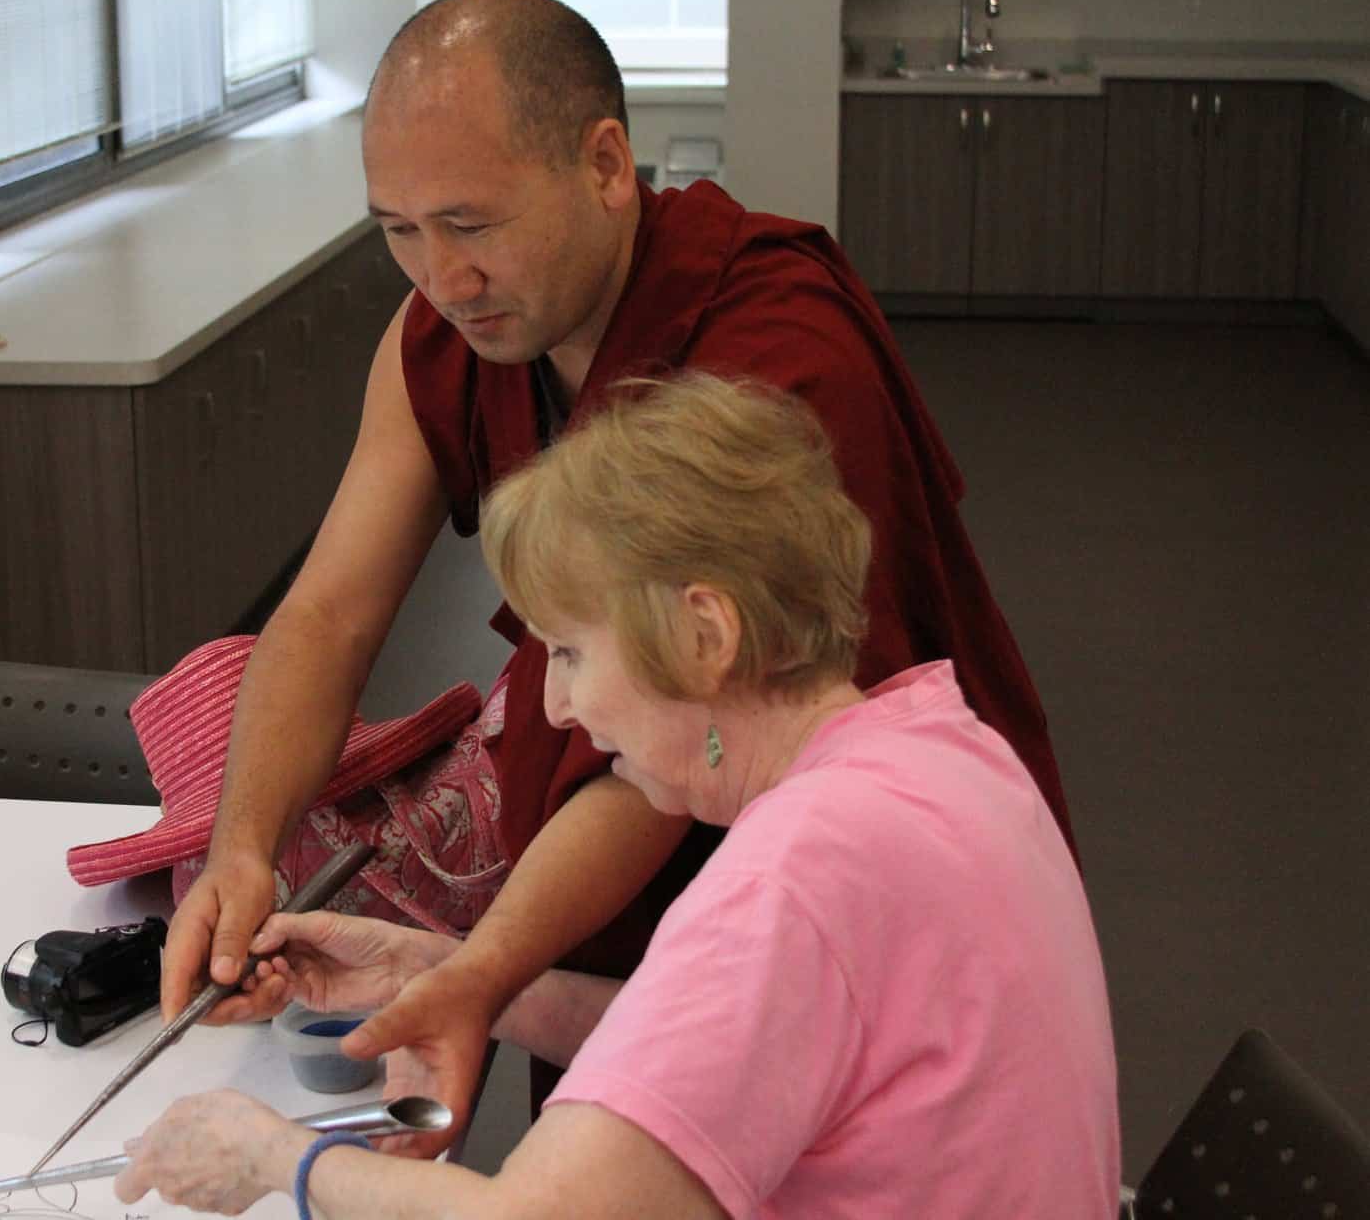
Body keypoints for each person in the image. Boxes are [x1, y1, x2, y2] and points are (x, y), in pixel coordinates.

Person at [160, 0, 1072, 1142]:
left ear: (603, 165)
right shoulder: (445, 334)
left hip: (829, 874)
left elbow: (677, 757)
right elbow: (330, 612)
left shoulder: (774, 360)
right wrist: (244, 850)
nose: (440, 278)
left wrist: (479, 973)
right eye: (397, 231)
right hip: (638, 820)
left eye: (471, 224)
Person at [116, 373, 1120, 1218]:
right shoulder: (933, 745)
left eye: (569, 650)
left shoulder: (800, 872)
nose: (553, 704)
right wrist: (450, 974)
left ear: (703, 636)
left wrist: (275, 1160)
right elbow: (724, 1058)